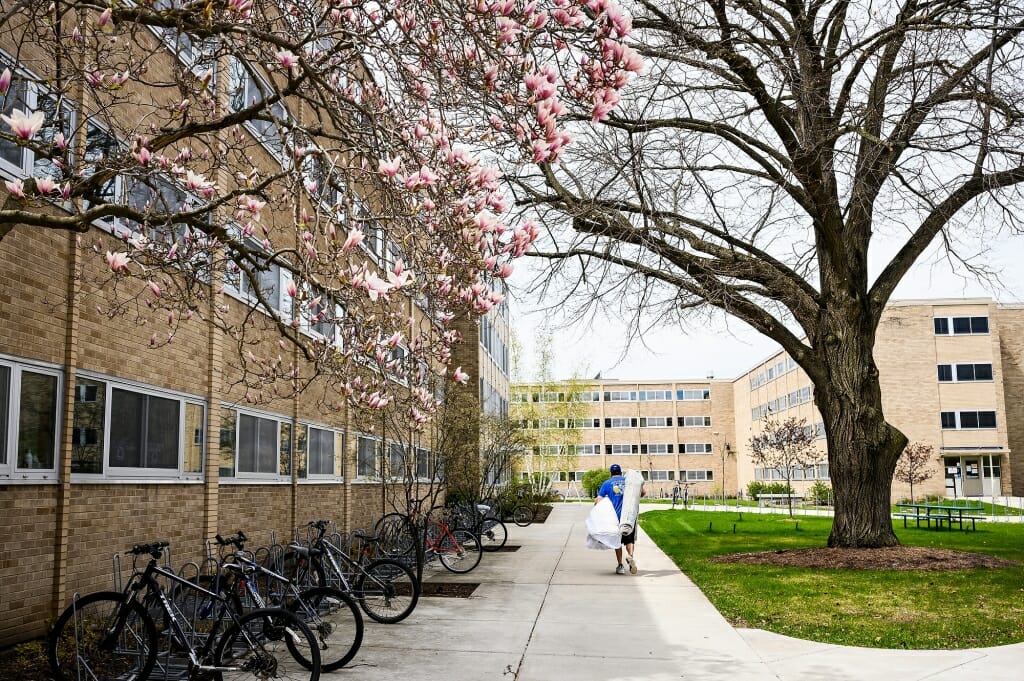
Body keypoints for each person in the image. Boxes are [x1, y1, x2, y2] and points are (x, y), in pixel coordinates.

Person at [595, 463, 644, 574]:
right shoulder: (629, 481)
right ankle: (630, 556)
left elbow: (599, 500)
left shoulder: (607, 483)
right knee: (629, 540)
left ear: (611, 473)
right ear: (620, 472)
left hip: (615, 517)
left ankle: (620, 566)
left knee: (617, 542)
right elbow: (643, 493)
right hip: (629, 516)